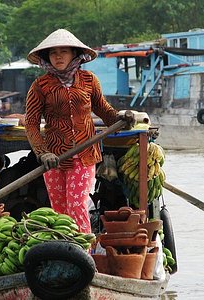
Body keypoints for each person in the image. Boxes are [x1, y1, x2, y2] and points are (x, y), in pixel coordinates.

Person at [25, 29, 134, 233]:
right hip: (54, 157)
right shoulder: (40, 86)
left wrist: (121, 118)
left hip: (84, 154)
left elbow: (103, 109)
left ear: (75, 54)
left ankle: (85, 255)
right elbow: (31, 123)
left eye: (63, 51)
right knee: (60, 212)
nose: (58, 56)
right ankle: (66, 253)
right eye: (53, 52)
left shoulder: (88, 80)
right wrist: (42, 153)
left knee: (76, 206)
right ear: (46, 57)